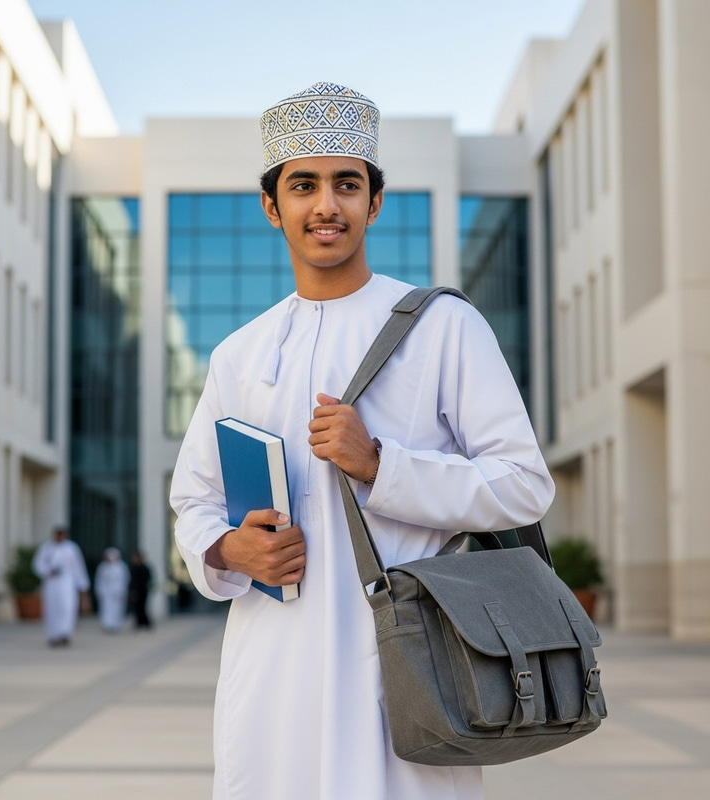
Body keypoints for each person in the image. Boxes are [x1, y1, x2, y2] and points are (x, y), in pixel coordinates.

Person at [169, 82, 555, 800]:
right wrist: (227, 549)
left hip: (404, 671)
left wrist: (381, 465)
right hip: (271, 672)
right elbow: (194, 500)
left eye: (347, 185)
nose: (326, 206)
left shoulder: (444, 329)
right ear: (271, 206)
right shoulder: (239, 355)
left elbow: (524, 485)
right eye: (304, 185)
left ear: (374, 202)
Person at [32, 526, 90, 647]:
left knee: (67, 608)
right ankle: (53, 635)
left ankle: (64, 634)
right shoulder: (47, 547)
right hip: (51, 584)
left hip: (67, 584)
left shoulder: (72, 549)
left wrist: (83, 585)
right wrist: (47, 571)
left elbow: (79, 568)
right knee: (51, 609)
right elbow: (37, 564)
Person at [94, 547, 130, 632]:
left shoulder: (121, 566)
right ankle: (107, 624)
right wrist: (99, 591)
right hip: (106, 592)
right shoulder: (103, 567)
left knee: (117, 609)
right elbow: (99, 580)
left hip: (117, 591)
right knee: (106, 608)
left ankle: (116, 624)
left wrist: (123, 591)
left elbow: (125, 580)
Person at [128, 550, 153, 629]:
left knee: (142, 607)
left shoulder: (144, 568)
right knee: (136, 608)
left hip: (143, 591)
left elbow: (148, 579)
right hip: (135, 591)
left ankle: (144, 623)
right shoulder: (132, 568)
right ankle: (139, 623)